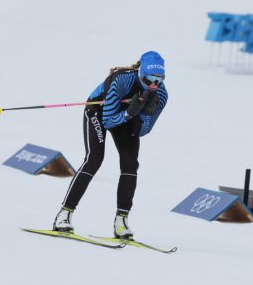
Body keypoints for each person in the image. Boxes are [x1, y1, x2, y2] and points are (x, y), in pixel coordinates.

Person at [53, 51, 168, 240]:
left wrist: (145, 114)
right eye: (149, 79)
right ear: (140, 73)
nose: (154, 85)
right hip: (99, 111)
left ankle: (121, 221)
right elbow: (107, 121)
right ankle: (64, 214)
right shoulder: (121, 80)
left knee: (130, 164)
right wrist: (129, 114)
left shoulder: (161, 95)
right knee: (94, 159)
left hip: (127, 117)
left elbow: (143, 132)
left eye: (159, 79)